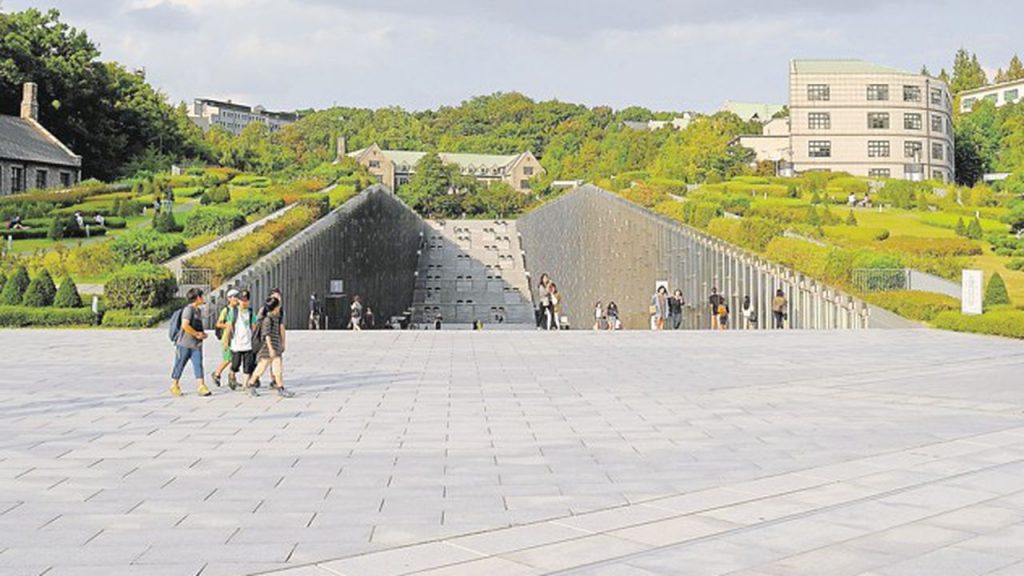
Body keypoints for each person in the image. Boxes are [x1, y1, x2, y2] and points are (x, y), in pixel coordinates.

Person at [245, 296, 294, 398]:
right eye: (278, 305)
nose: (280, 307)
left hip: (276, 347)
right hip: (268, 348)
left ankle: (280, 388)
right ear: (275, 307)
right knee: (261, 368)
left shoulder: (276, 317)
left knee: (278, 369)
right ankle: (251, 384)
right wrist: (271, 349)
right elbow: (266, 335)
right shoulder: (268, 319)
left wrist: (281, 344)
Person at [170, 288, 211, 397]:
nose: (203, 298)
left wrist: (202, 334)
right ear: (197, 298)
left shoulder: (197, 310)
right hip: (184, 344)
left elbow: (196, 325)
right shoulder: (188, 310)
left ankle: (201, 386)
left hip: (196, 344)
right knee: (180, 364)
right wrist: (196, 334)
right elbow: (185, 325)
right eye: (202, 296)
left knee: (198, 364)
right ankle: (174, 385)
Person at [227, 289, 258, 390]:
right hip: (236, 344)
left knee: (247, 365)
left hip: (248, 344)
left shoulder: (250, 312)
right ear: (238, 300)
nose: (243, 302)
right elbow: (229, 327)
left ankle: (245, 385)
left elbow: (254, 326)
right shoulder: (233, 312)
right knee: (235, 364)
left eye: (246, 300)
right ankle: (231, 373)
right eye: (241, 300)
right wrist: (226, 342)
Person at [211, 290, 240, 387]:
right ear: (229, 299)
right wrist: (227, 326)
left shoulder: (238, 309)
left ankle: (232, 378)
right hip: (227, 338)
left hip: (236, 338)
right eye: (234, 297)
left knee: (235, 359)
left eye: (237, 296)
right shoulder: (226, 310)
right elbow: (218, 324)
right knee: (227, 359)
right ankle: (216, 373)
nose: (236, 299)